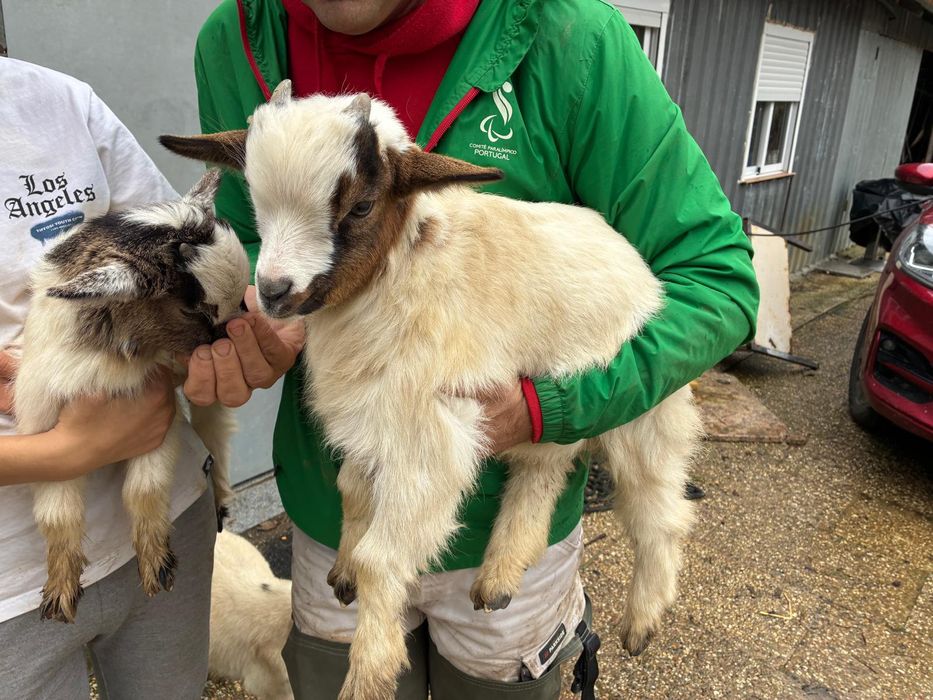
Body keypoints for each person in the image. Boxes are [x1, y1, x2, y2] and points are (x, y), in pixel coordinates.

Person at [187, 1, 760, 698]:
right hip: (330, 496)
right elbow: (257, 239)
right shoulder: (237, 37)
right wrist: (251, 315)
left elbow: (716, 278)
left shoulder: (572, 37)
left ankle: (650, 565)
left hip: (509, 436)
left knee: (583, 476)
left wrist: (549, 406)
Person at [0, 57, 218, 699]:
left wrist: (211, 352)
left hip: (165, 512)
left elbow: (177, 253)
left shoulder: (57, 102)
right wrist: (69, 450)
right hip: (10, 587)